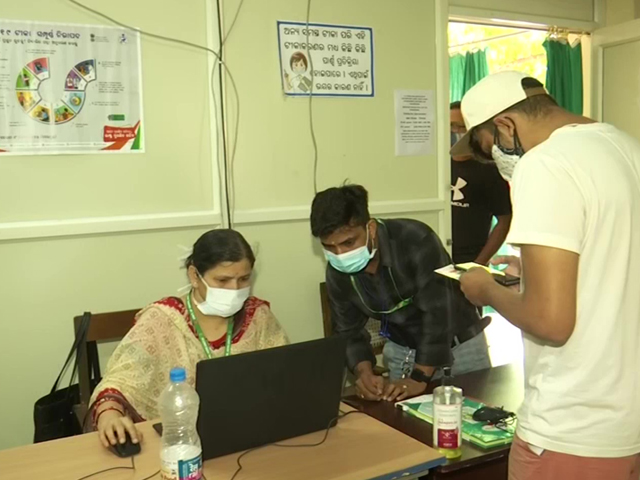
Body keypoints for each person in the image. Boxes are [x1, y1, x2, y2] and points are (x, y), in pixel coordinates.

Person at [453, 71, 640, 480]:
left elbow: (550, 322)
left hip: (571, 429)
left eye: (488, 149)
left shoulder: (545, 164)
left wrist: (486, 289)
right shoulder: (628, 149)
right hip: (627, 425)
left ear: (505, 126)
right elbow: (616, 263)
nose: (495, 161)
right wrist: (534, 273)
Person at [90, 229, 289, 449]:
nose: (235, 290)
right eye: (223, 280)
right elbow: (119, 381)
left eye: (244, 279)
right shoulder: (162, 319)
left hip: (248, 438)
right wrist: (110, 415)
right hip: (176, 444)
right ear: (194, 276)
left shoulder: (258, 317)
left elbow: (287, 376)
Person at [310, 184, 491, 404]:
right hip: (402, 351)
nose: (340, 254)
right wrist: (364, 374)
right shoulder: (337, 271)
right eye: (329, 247)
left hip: (460, 347)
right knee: (404, 422)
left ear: (371, 229)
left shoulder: (415, 240)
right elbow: (348, 331)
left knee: (472, 417)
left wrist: (420, 376)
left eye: (349, 242)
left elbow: (438, 314)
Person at [450, 101, 512, 265]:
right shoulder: (436, 167)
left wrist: (478, 263)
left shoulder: (489, 169)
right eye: (451, 126)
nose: (455, 132)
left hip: (469, 259)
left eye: (461, 127)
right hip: (434, 256)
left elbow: (504, 220)